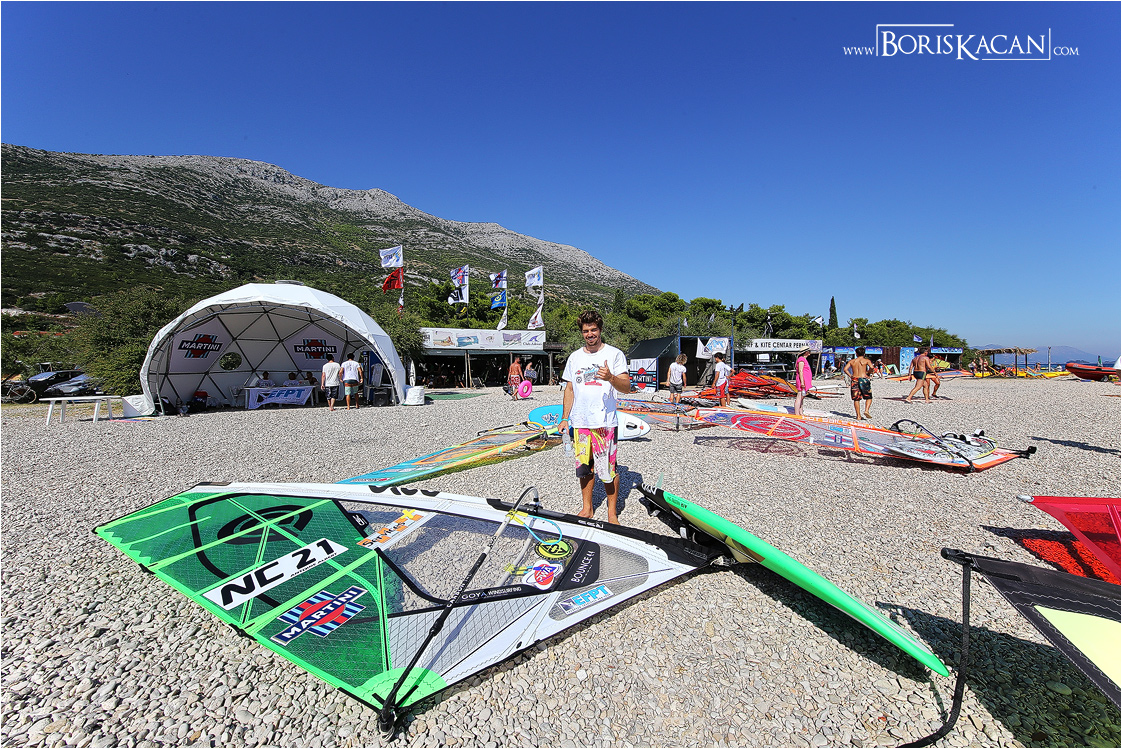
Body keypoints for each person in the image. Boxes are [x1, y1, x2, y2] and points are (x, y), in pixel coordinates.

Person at [560, 310, 630, 524]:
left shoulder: (615, 354)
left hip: (604, 423)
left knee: (608, 470)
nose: (590, 334)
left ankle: (612, 513)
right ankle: (587, 508)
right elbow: (569, 389)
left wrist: (610, 378)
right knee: (584, 468)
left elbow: (627, 387)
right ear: (582, 333)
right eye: (586, 331)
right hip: (580, 423)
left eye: (593, 330)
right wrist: (565, 418)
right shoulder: (575, 357)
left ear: (600, 330)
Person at [843, 346, 874, 419]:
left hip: (855, 379)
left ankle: (858, 416)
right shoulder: (866, 361)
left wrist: (850, 376)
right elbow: (872, 367)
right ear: (864, 354)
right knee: (868, 397)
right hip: (863, 378)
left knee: (856, 398)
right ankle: (866, 410)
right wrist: (868, 373)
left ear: (856, 353)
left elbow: (845, 369)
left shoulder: (852, 361)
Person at [793, 348, 813, 417]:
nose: (810, 352)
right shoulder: (801, 359)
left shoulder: (804, 359)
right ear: (806, 352)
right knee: (799, 396)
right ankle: (797, 413)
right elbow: (800, 371)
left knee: (802, 397)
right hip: (802, 380)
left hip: (805, 380)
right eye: (809, 351)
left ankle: (800, 412)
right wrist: (802, 382)